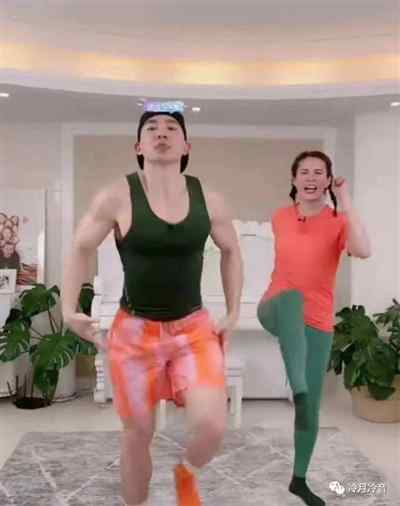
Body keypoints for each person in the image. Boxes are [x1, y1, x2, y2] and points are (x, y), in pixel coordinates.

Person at [62, 104, 243, 506]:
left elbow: (232, 251)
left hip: (193, 330)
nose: (162, 133)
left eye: (172, 128)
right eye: (152, 128)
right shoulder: (116, 196)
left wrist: (232, 312)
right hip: (134, 334)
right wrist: (68, 308)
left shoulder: (209, 199)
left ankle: (186, 473)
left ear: (186, 145)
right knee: (137, 434)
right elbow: (80, 247)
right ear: (138, 146)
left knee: (212, 425)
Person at [257, 150, 371, 506]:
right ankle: (298, 386)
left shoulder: (338, 222)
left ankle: (299, 480)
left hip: (317, 321)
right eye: (304, 172)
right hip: (275, 307)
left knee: (309, 409)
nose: (310, 178)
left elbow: (363, 250)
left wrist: (345, 199)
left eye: (318, 172)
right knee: (292, 298)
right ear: (294, 179)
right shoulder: (280, 217)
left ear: (328, 180)